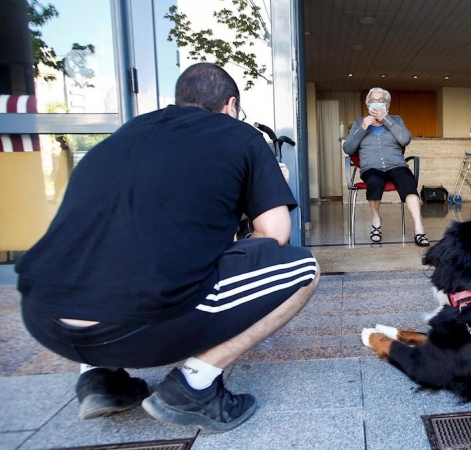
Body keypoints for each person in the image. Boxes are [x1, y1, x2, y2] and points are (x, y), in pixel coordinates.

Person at [15, 62, 319, 432]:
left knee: (116, 251)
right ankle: (195, 386)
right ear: (231, 104)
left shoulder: (128, 133)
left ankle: (101, 379)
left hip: (42, 316)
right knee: (302, 267)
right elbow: (275, 234)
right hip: (138, 326)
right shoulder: (239, 135)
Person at [342, 87, 430, 247]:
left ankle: (419, 227)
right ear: (367, 104)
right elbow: (348, 149)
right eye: (373, 100)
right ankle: (376, 218)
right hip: (371, 167)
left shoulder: (395, 120)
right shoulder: (359, 123)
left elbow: (405, 139)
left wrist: (386, 120)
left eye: (381, 101)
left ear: (388, 105)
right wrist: (362, 127)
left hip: (396, 165)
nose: (377, 103)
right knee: (374, 181)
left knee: (408, 183)